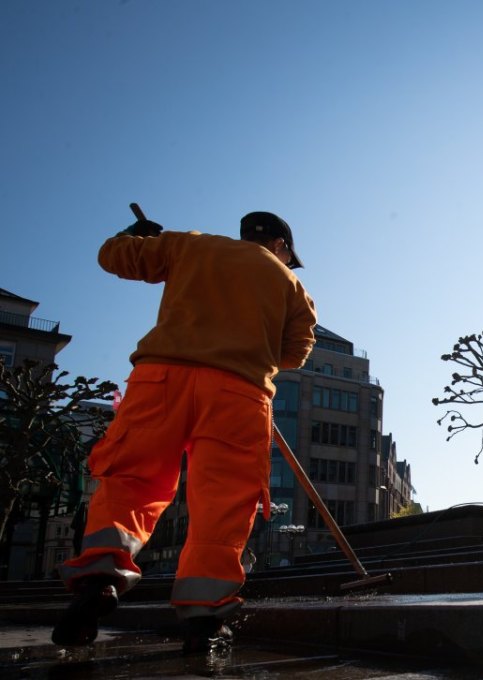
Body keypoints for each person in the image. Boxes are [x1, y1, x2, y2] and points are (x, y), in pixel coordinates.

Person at [52, 210, 317, 654]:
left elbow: (112, 257)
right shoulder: (292, 286)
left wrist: (133, 234)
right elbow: (294, 355)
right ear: (281, 247)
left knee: (132, 481)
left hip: (162, 378)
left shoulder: (190, 245)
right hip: (238, 393)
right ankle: (204, 618)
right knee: (223, 504)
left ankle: (98, 577)